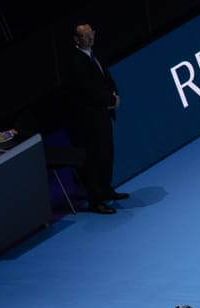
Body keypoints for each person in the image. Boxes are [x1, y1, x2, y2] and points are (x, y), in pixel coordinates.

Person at [67, 23, 129, 215]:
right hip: (89, 121)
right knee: (94, 160)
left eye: (91, 34)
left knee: (106, 155)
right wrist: (111, 99)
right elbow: (88, 91)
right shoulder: (77, 62)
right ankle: (96, 201)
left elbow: (105, 80)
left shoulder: (93, 56)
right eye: (85, 36)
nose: (90, 38)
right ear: (77, 40)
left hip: (102, 115)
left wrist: (113, 96)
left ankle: (106, 189)